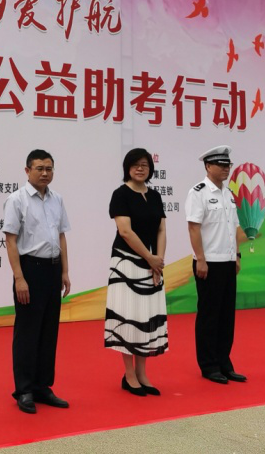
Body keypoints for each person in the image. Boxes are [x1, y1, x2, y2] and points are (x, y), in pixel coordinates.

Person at [4, 148, 71, 414]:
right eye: (39, 168)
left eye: (49, 168)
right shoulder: (17, 200)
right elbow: (10, 240)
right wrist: (19, 278)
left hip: (53, 269)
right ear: (27, 170)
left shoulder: (57, 199)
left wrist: (65, 272)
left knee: (48, 331)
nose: (45, 173)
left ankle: (43, 386)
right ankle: (24, 390)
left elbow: (61, 236)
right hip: (29, 270)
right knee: (27, 332)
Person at [105, 147, 168, 396]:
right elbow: (125, 232)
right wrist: (150, 258)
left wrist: (158, 260)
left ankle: (142, 373)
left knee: (146, 317)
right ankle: (129, 374)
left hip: (151, 263)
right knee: (128, 318)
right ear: (127, 168)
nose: (140, 168)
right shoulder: (120, 194)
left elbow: (161, 230)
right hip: (126, 263)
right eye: (135, 164)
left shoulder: (155, 196)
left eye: (145, 164)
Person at [185, 144, 243, 384]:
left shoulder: (228, 193)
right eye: (220, 164)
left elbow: (234, 227)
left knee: (227, 316)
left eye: (228, 164)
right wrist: (200, 258)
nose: (225, 168)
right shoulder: (198, 192)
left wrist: (237, 255)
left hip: (228, 261)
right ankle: (209, 365)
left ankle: (224, 362)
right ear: (208, 166)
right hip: (208, 262)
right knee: (209, 316)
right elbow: (193, 228)